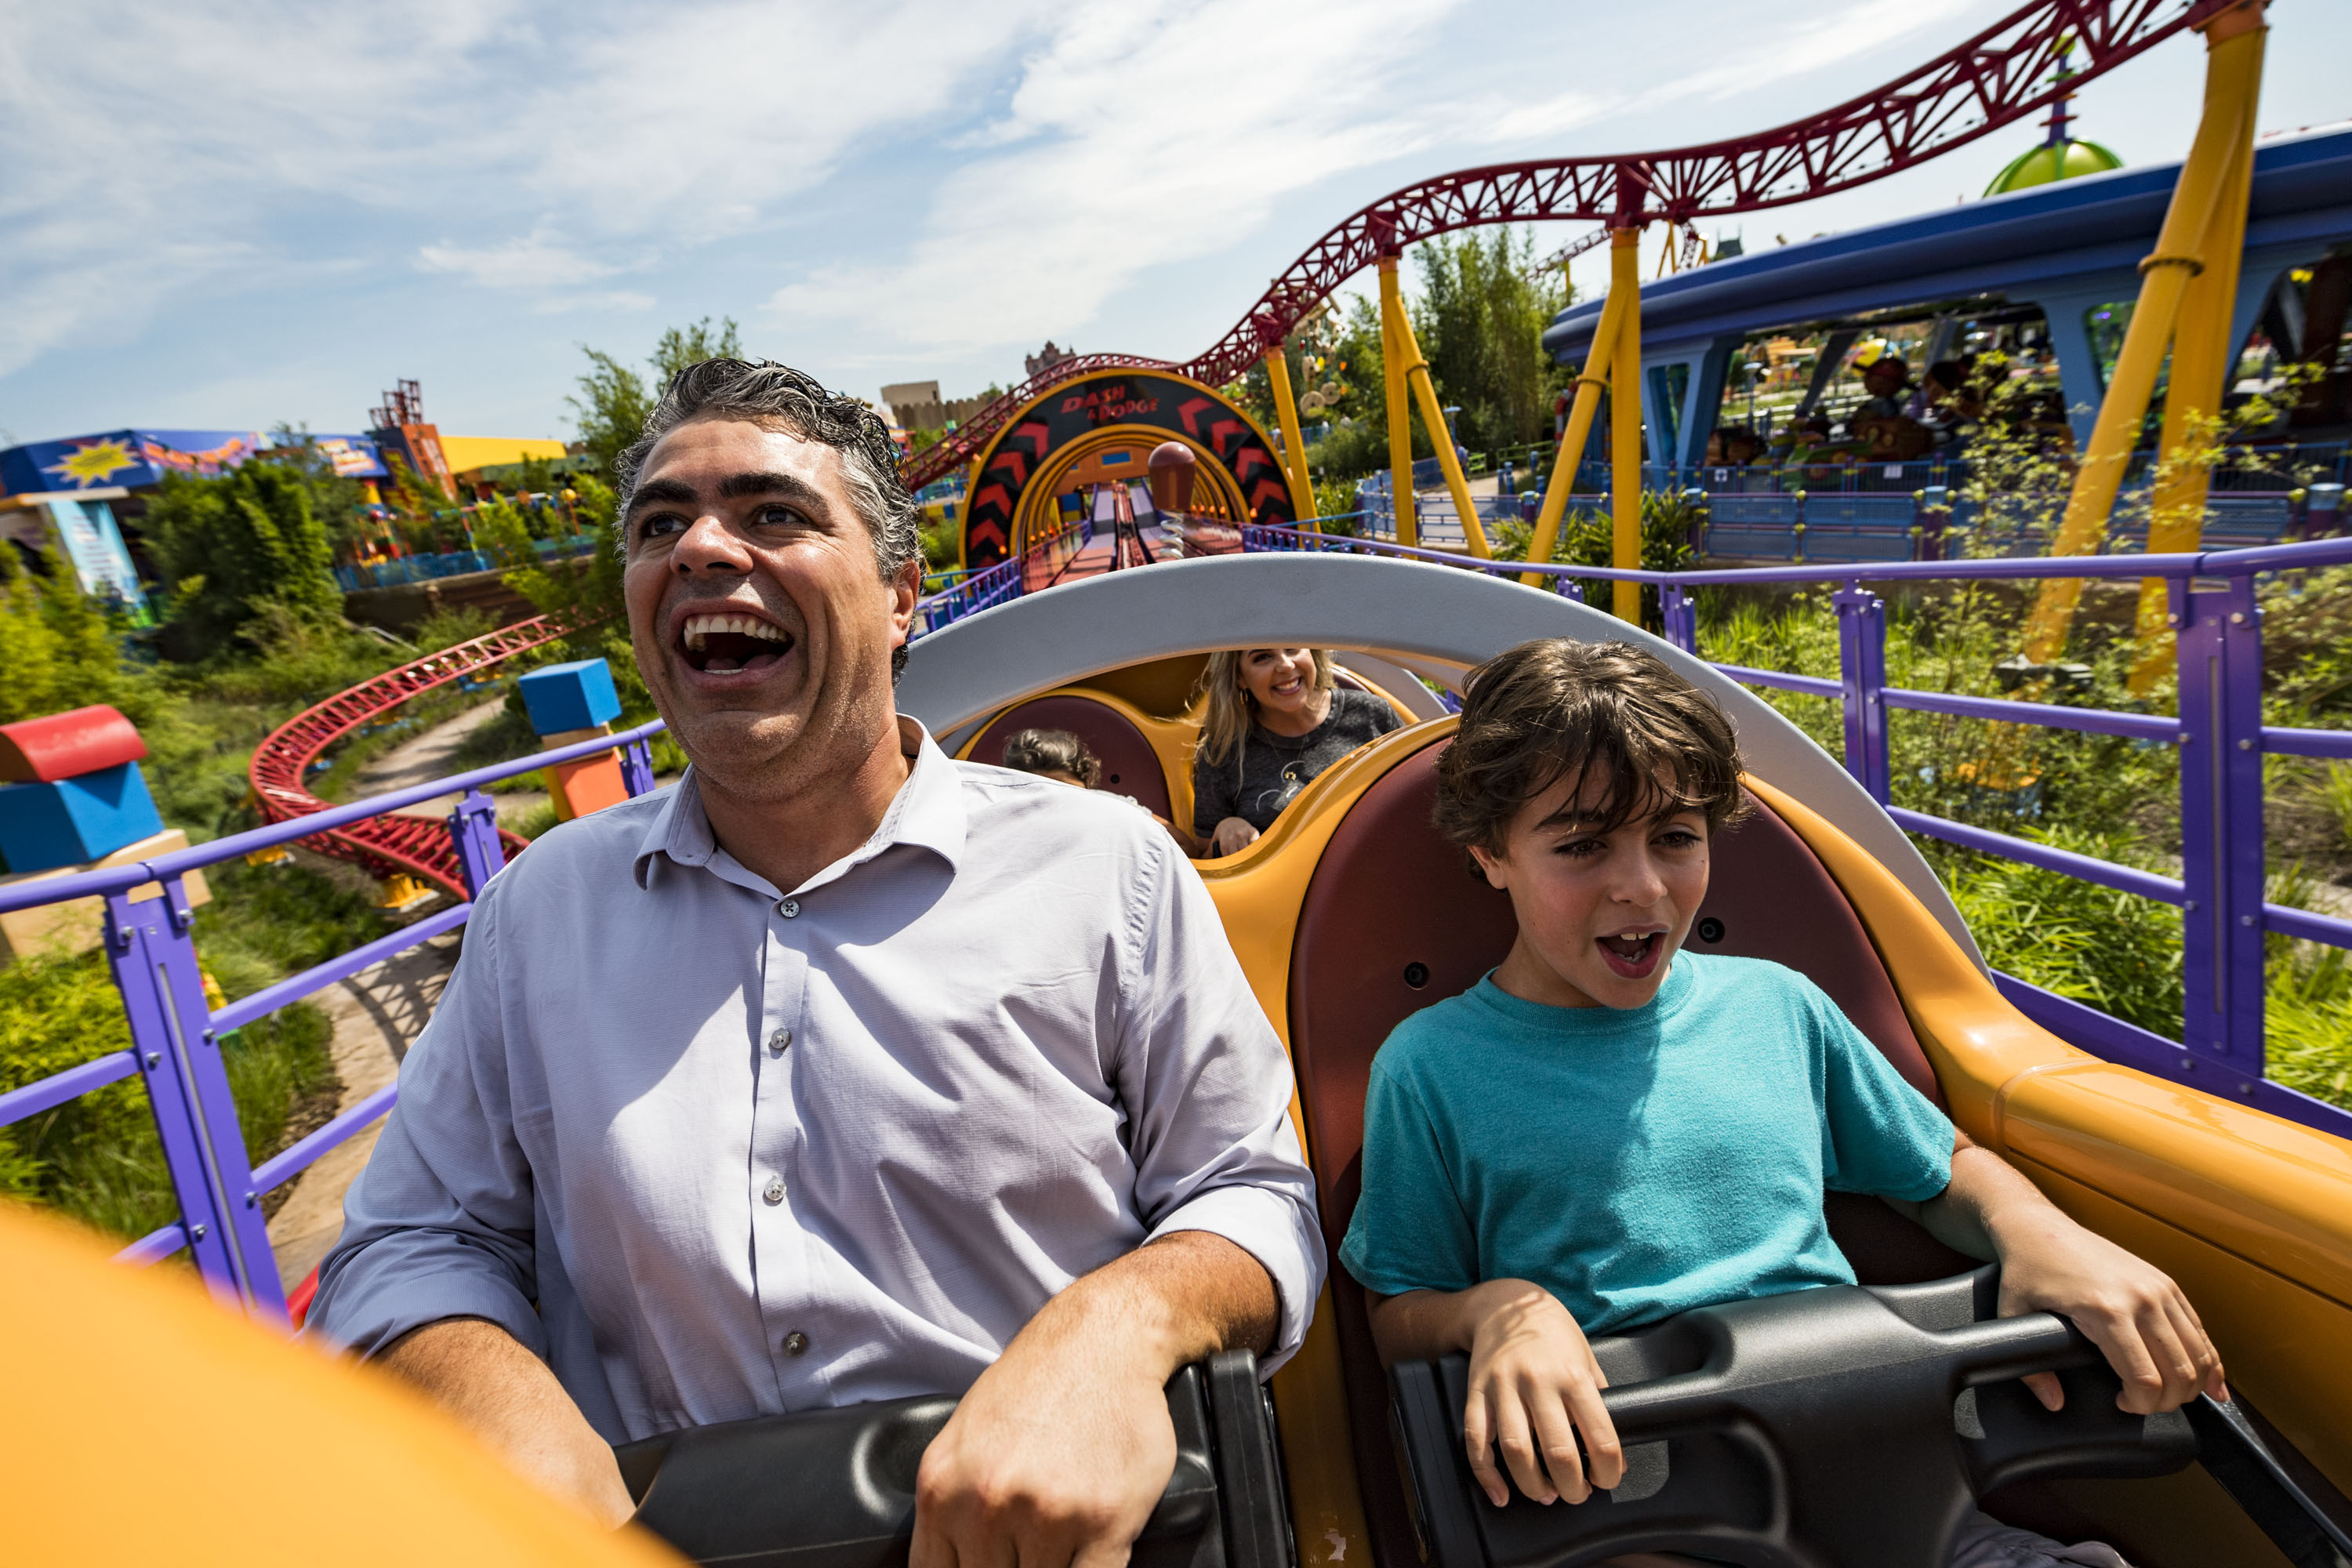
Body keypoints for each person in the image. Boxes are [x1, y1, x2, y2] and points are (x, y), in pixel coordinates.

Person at [308, 360, 1325, 1564]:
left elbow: (1253, 1196)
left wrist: (1119, 1328)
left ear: (902, 595)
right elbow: (407, 1239)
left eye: (773, 514)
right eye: (658, 526)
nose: (700, 549)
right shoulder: (539, 910)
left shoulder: (1107, 868)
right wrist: (496, 1400)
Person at [1339, 638, 2222, 1568]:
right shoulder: (1431, 1066)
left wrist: (2039, 1232)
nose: (1641, 885)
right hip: (1639, 1517)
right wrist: (1500, 1311)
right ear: (1490, 854)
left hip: (1894, 1480)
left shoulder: (1778, 1006)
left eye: (1676, 837)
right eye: (1581, 844)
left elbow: (1940, 1168)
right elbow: (1401, 1307)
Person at [1191, 648, 1403, 856]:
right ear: (1239, 677)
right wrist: (1225, 828)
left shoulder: (1373, 713)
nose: (1286, 664)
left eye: (1292, 648)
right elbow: (1205, 857)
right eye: (1263, 657)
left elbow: (1418, 796)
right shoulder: (1224, 749)